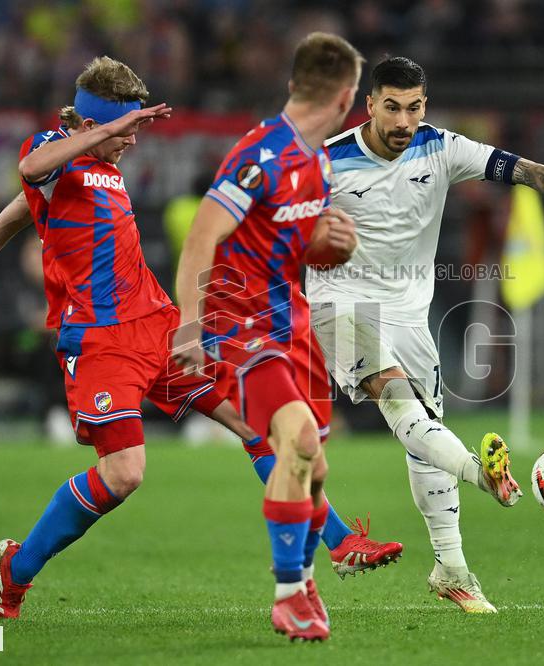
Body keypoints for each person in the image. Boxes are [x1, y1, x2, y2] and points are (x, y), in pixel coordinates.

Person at [0, 56, 260, 619]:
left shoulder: (98, 163)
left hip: (152, 323)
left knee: (253, 418)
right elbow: (33, 170)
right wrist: (104, 132)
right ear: (92, 126)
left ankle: (341, 543)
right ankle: (17, 567)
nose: (132, 141)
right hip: (99, 335)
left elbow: (30, 199)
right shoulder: (57, 145)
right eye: (126, 129)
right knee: (125, 474)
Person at [307, 56, 544, 613]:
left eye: (413, 107)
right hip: (340, 304)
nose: (403, 120)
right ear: (369, 105)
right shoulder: (328, 162)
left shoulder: (441, 147)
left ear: (424, 106)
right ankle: (482, 475)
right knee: (399, 405)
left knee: (425, 437)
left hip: (411, 314)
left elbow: (524, 170)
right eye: (391, 107)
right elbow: (277, 227)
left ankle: (452, 569)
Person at [172, 33, 373, 642]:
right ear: (348, 98)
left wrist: (332, 247)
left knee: (313, 468)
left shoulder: (318, 164)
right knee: (300, 440)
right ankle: (288, 595)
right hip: (243, 324)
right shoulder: (258, 156)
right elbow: (200, 239)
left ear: (295, 84)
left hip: (295, 324)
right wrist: (189, 325)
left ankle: (304, 577)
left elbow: (295, 249)